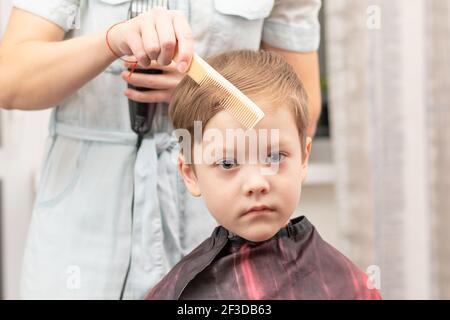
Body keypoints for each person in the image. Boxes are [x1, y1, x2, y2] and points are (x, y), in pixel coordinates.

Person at [0, 0, 322, 299]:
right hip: (83, 234)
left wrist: (206, 90)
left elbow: (300, 107)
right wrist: (112, 42)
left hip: (219, 233)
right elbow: (10, 79)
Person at [146, 50, 381, 300]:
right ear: (190, 174)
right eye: (227, 163)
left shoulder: (349, 287)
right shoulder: (178, 294)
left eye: (275, 157)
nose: (257, 183)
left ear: (303, 157)